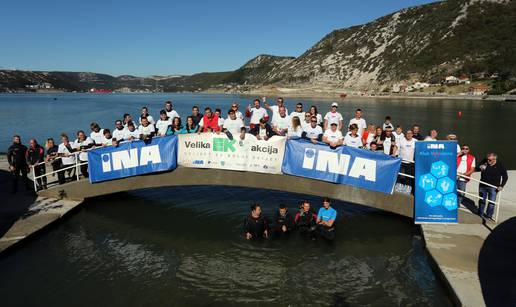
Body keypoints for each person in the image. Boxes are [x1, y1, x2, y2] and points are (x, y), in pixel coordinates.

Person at [476, 153, 508, 219]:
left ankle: (488, 215)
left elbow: (505, 176)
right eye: (487, 159)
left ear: (494, 159)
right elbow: (477, 168)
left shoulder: (500, 165)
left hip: (493, 187)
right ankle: (480, 213)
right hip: (482, 185)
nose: (488, 161)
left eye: (490, 160)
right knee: (482, 200)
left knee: (491, 202)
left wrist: (501, 186)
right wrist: (480, 167)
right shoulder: (485, 161)